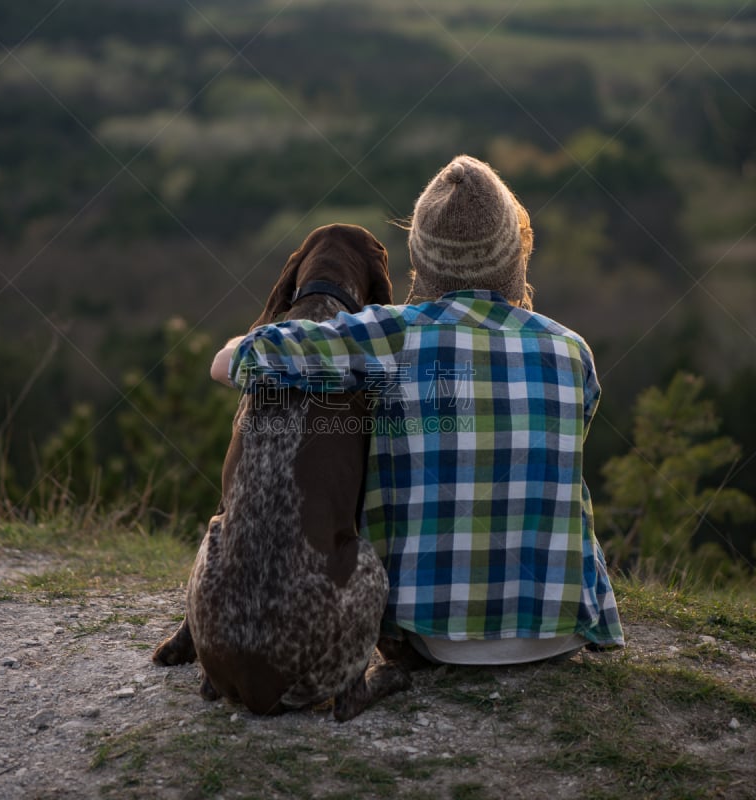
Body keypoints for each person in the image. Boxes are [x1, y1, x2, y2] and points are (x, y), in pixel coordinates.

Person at [211, 154, 624, 665]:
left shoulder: (390, 333)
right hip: (560, 630)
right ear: (515, 254)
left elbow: (230, 365)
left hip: (430, 637)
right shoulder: (571, 349)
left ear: (421, 259)